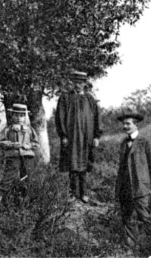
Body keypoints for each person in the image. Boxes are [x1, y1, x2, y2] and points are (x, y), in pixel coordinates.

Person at [55, 70, 102, 203]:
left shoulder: (90, 99)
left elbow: (98, 117)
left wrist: (97, 136)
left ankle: (83, 193)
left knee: (85, 165)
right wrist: (63, 135)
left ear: (85, 83)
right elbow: (60, 117)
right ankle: (72, 194)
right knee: (73, 164)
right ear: (72, 82)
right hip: (72, 137)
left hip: (87, 137)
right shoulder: (65, 98)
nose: (78, 85)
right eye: (75, 82)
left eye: (81, 82)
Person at [115, 110, 151, 249]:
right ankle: (131, 247)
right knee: (127, 218)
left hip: (141, 187)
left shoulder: (146, 142)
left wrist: (150, 186)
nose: (125, 127)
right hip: (125, 187)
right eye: (123, 124)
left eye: (128, 124)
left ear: (136, 125)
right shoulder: (123, 143)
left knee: (145, 218)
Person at [0, 103, 39, 204]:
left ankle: (26, 201)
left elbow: (36, 143)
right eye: (16, 115)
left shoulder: (30, 130)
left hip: (27, 157)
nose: (19, 118)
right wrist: (11, 145)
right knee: (8, 177)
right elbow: (1, 142)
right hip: (13, 156)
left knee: (27, 178)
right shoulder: (8, 130)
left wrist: (29, 145)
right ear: (12, 116)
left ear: (25, 117)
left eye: (22, 115)